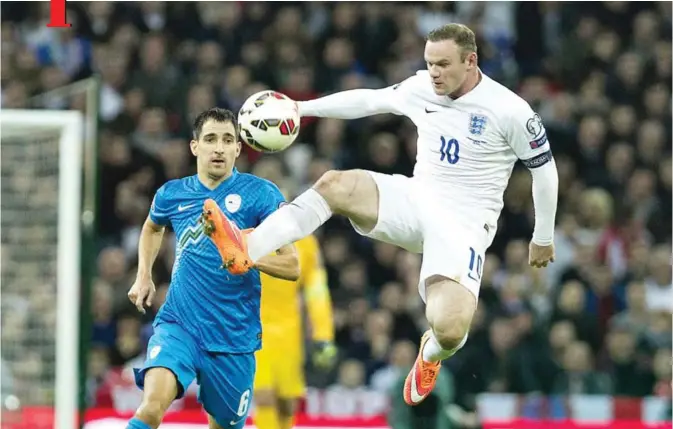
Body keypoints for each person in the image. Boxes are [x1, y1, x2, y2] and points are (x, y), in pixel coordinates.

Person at [210, 23, 559, 405]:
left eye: (443, 64)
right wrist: (302, 108)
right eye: (429, 64)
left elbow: (544, 171)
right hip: (415, 198)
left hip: (464, 225)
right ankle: (249, 246)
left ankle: (429, 355)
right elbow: (369, 101)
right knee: (334, 185)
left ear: (471, 61)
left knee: (450, 329)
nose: (434, 73)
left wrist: (542, 237)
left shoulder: (510, 110)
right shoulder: (423, 87)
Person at [125, 107, 300, 429]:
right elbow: (152, 227)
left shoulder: (261, 195)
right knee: (150, 409)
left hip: (233, 336)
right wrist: (143, 275)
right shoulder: (172, 193)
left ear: (238, 148)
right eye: (210, 139)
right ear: (195, 147)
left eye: (227, 140)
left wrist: (250, 258)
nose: (219, 147)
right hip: (180, 325)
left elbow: (292, 265)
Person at [254, 232, 336, 429]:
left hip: (289, 331)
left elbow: (316, 290)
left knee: (286, 402)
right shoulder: (250, 233)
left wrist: (323, 333)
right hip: (253, 326)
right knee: (263, 395)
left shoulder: (306, 242)